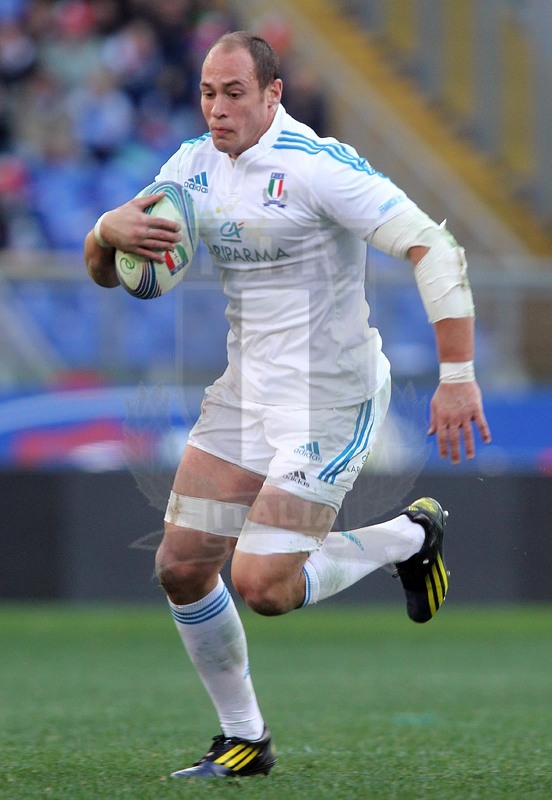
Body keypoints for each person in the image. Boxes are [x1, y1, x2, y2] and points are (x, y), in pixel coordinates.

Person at [84, 31, 491, 779]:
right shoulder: (192, 168)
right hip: (247, 395)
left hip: (328, 399)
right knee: (181, 566)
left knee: (263, 586)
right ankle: (245, 740)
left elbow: (435, 247)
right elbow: (112, 272)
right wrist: (104, 232)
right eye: (207, 92)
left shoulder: (317, 168)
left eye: (234, 92)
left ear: (273, 94)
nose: (217, 108)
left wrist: (457, 374)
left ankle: (409, 536)